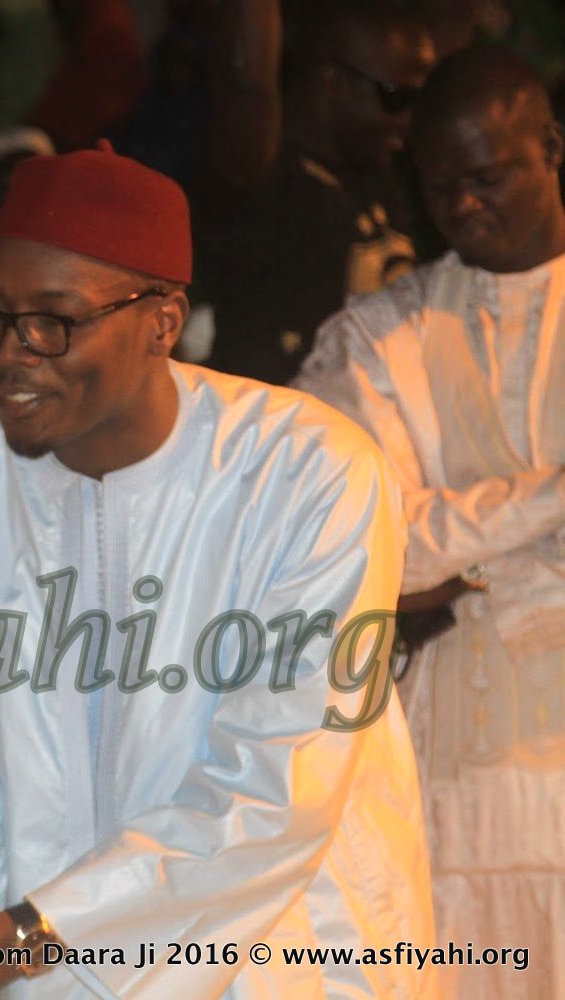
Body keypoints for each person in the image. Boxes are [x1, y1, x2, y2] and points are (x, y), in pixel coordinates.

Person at [0, 145, 435, 998]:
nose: (9, 356)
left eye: (53, 322)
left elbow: (273, 789)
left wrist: (13, 939)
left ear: (162, 321)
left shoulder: (309, 474)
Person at [295, 44, 565, 998]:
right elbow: (370, 546)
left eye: (488, 177)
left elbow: (431, 546)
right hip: (453, 767)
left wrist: (477, 555)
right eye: (439, 184)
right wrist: (550, 502)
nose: (461, 206)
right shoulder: (379, 334)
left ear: (552, 150)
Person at [197, 0, 435, 384]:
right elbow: (247, 82)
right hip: (280, 432)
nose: (408, 121)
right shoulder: (261, 174)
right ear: (333, 80)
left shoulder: (378, 173)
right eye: (396, 98)